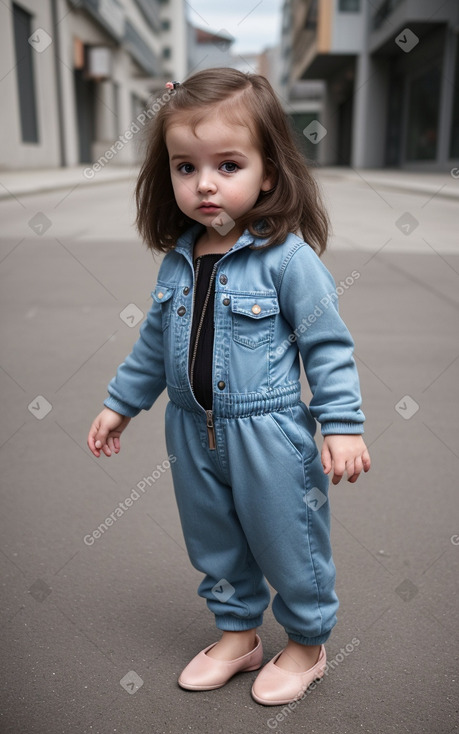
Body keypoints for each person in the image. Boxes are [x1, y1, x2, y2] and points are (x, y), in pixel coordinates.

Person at [87, 68, 371, 706]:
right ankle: (238, 634)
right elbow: (155, 345)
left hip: (267, 432)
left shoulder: (289, 260)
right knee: (212, 538)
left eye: (228, 164)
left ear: (269, 172)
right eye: (185, 167)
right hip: (190, 431)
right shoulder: (180, 258)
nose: (204, 183)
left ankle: (306, 642)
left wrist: (343, 423)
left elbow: (328, 346)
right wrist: (119, 404)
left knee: (287, 535)